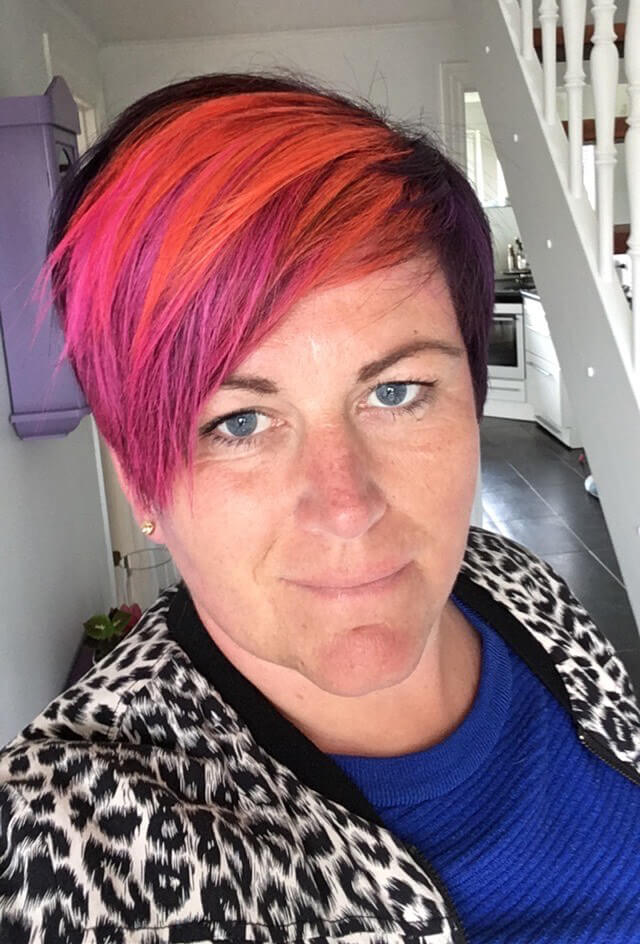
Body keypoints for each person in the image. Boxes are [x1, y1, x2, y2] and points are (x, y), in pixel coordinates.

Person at [1, 72, 639, 944]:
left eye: (397, 391)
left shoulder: (518, 586)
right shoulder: (60, 842)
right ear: (140, 481)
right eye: (239, 422)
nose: (347, 507)